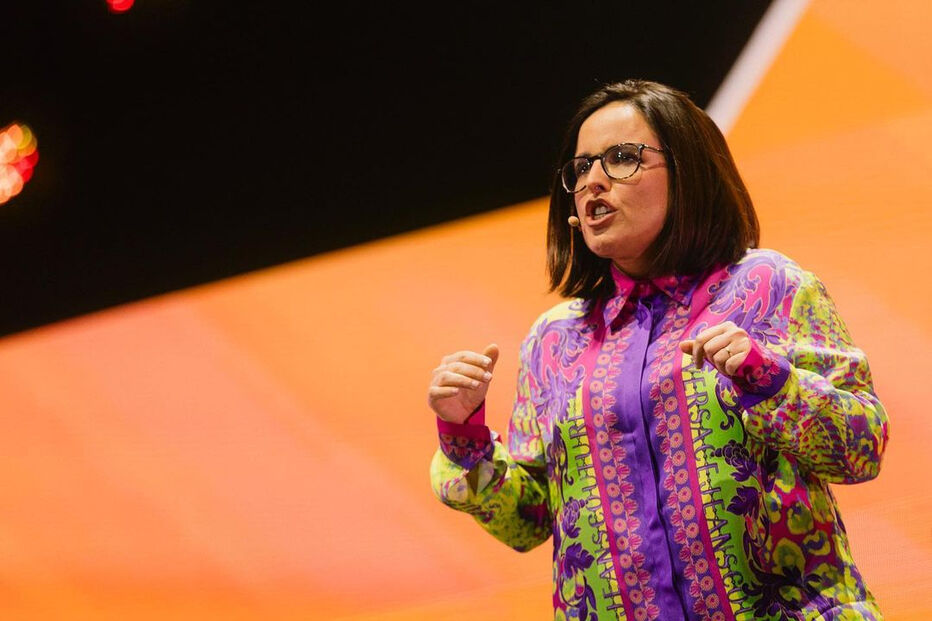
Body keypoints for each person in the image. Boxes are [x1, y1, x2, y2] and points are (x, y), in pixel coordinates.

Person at [427, 79, 888, 620]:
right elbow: (528, 522)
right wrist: (463, 434)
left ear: (688, 173)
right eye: (581, 168)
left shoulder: (768, 285)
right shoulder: (554, 340)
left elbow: (862, 446)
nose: (593, 181)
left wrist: (770, 380)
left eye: (622, 158)